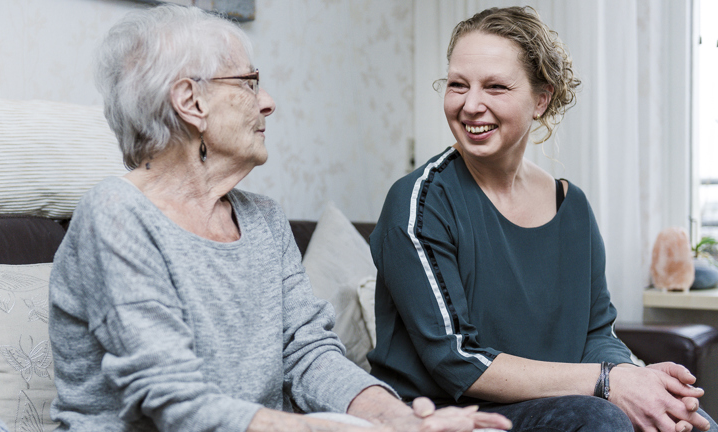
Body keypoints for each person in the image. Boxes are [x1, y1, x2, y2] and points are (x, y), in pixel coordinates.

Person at [47, 5, 512, 432]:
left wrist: (400, 418)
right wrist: (320, 429)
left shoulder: (263, 219)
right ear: (191, 101)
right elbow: (171, 399)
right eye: (249, 82)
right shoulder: (116, 215)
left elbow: (308, 353)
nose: (267, 101)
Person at [368, 6, 717, 432]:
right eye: (458, 85)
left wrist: (641, 386)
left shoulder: (573, 208)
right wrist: (608, 383)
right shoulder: (419, 202)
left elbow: (596, 335)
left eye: (495, 86)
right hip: (442, 414)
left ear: (540, 99)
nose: (470, 105)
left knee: (694, 423)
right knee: (599, 418)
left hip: (559, 404)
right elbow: (456, 360)